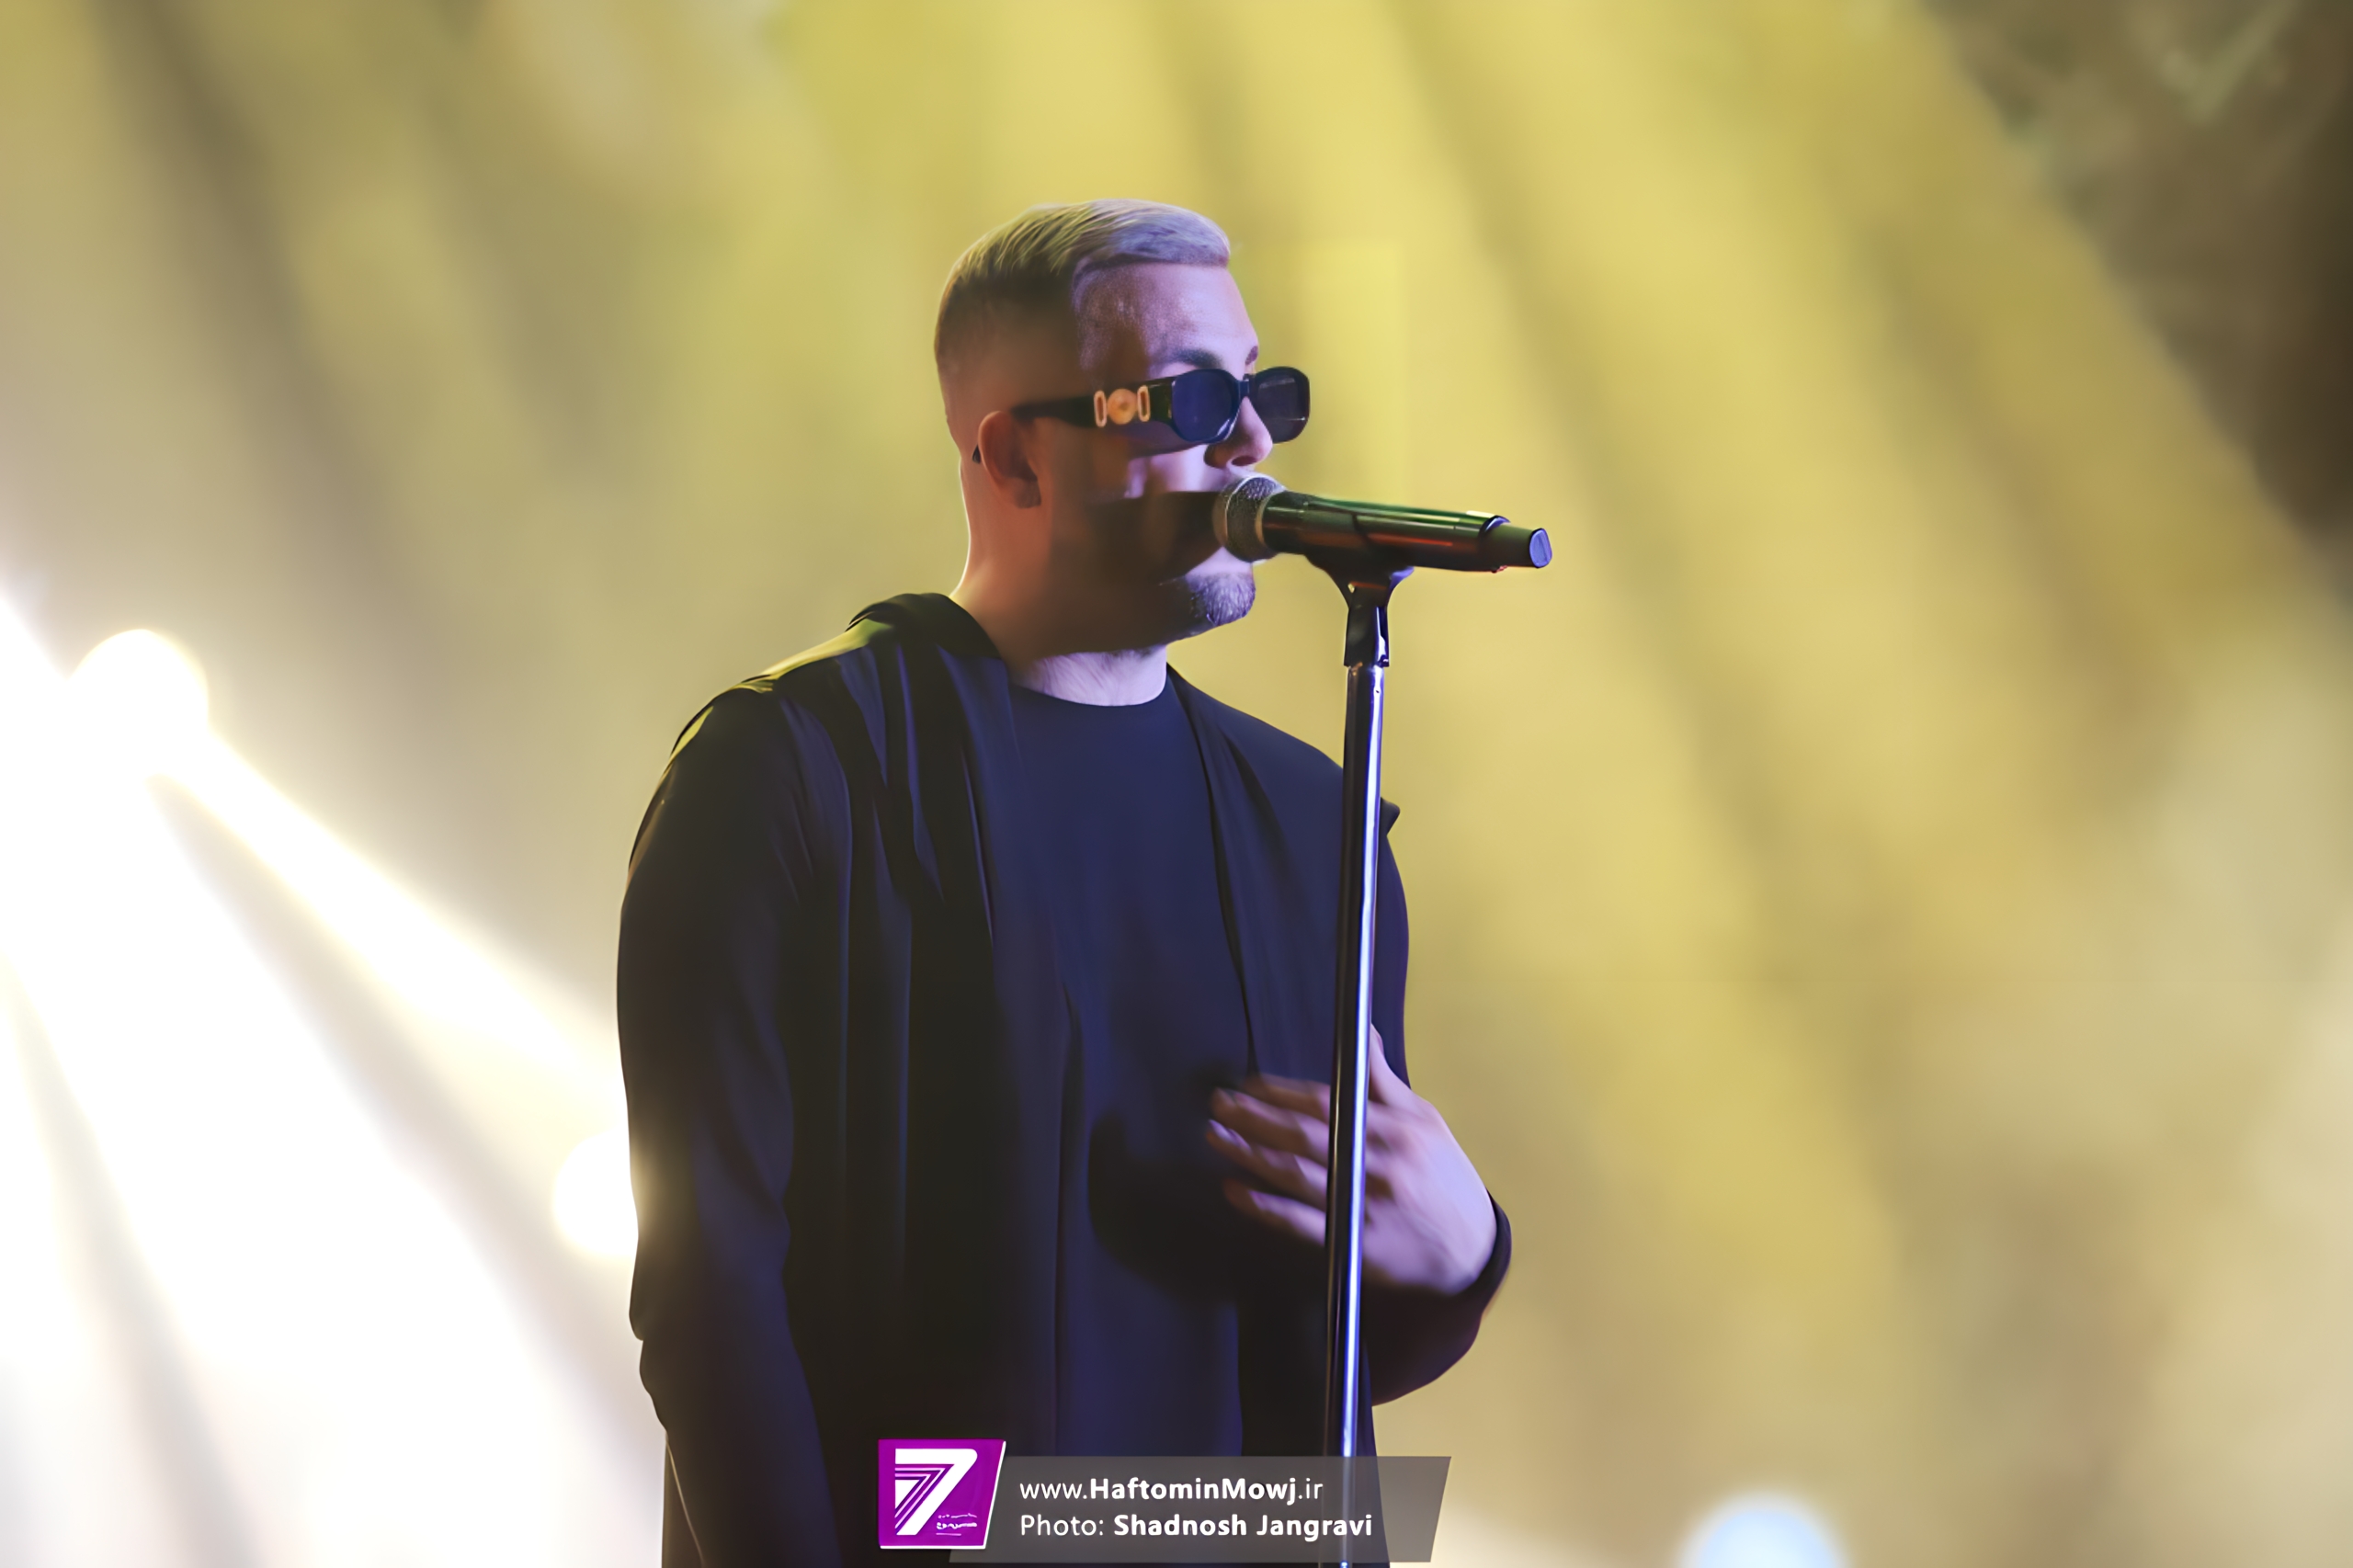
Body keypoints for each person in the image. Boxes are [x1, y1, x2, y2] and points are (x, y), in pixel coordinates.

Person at [618, 199, 1510, 1567]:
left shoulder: (1315, 827)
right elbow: (710, 1299)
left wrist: (1460, 1258)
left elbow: (1321, 1356)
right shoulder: (793, 773)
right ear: (1013, 456)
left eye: (1263, 390)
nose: (1251, 442)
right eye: (1189, 397)